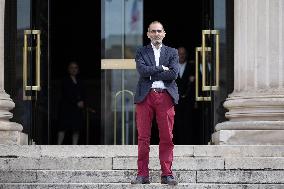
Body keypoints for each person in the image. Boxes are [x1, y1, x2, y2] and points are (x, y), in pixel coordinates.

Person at [131, 21, 179, 185]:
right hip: (145, 97)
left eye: (159, 31)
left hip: (165, 96)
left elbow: (173, 74)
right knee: (143, 137)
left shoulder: (172, 52)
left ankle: (167, 174)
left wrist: (152, 73)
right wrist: (161, 69)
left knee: (166, 136)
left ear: (164, 33)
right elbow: (142, 71)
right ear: (148, 34)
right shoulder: (141, 51)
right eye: (153, 31)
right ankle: (142, 174)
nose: (156, 34)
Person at [57, 61, 85, 145]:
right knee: (62, 128)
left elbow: (83, 93)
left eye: (75, 67)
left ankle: (74, 147)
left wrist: (83, 102)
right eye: (72, 68)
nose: (74, 69)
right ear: (68, 69)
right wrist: (76, 102)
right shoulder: (65, 80)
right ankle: (58, 147)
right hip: (66, 108)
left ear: (78, 70)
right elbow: (66, 94)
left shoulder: (80, 81)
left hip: (77, 109)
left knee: (76, 129)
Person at [174, 47, 196, 144]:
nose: (181, 56)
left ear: (186, 55)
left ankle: (188, 143)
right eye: (179, 54)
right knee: (177, 124)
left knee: (188, 123)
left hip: (188, 101)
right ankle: (177, 144)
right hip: (176, 101)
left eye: (183, 54)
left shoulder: (192, 67)